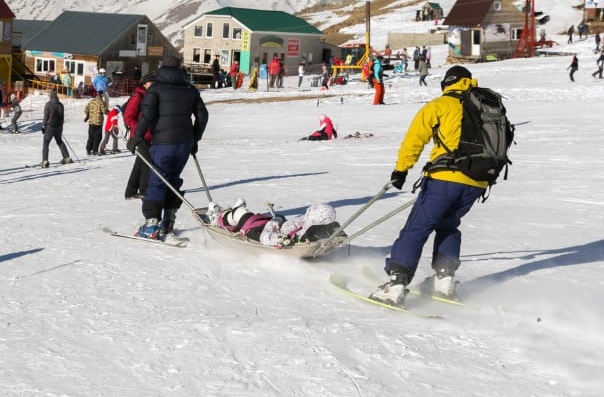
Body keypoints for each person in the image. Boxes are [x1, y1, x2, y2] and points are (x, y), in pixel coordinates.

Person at [369, 66, 488, 306]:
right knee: (449, 225)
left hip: (445, 178)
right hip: (477, 181)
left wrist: (401, 170)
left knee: (417, 228)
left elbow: (415, 139)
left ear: (447, 84)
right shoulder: (485, 107)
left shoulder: (440, 105)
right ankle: (444, 281)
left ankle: (396, 285)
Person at [127, 55, 208, 239]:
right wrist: (194, 139)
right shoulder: (190, 89)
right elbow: (203, 117)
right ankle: (168, 221)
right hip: (184, 143)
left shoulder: (155, 89)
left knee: (156, 181)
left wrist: (136, 138)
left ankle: (151, 225)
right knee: (172, 180)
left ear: (161, 69)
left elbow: (146, 116)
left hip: (164, 142)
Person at [208, 199, 341, 247]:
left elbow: (264, 237)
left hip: (257, 230)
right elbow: (290, 225)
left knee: (240, 213)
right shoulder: (309, 225)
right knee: (241, 213)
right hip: (265, 224)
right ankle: (224, 214)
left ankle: (220, 216)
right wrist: (278, 219)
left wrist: (277, 236)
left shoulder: (306, 229)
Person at [124, 74, 155, 199]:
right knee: (147, 162)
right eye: (150, 82)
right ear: (144, 84)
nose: (152, 84)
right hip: (138, 136)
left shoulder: (151, 96)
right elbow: (128, 117)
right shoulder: (138, 96)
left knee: (140, 163)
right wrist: (139, 128)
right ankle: (143, 190)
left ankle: (130, 191)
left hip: (148, 136)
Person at [40, 90, 73, 168]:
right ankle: (67, 157)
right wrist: (61, 127)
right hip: (58, 127)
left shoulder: (48, 105)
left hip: (50, 127)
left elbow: (46, 117)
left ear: (50, 96)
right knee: (60, 142)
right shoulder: (60, 105)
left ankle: (45, 160)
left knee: (46, 143)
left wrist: (43, 126)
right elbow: (62, 117)